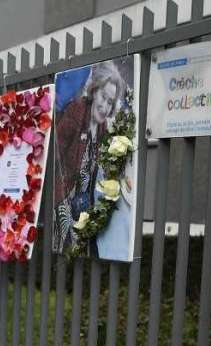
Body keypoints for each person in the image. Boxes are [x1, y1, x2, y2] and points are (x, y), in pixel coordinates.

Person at [53, 61, 127, 255]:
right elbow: (55, 164)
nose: (104, 106)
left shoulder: (102, 129)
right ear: (94, 91)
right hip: (62, 204)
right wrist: (64, 218)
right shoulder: (76, 112)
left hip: (84, 211)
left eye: (110, 101)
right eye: (104, 97)